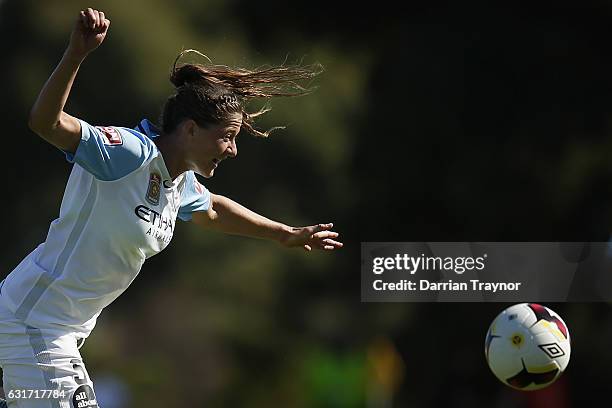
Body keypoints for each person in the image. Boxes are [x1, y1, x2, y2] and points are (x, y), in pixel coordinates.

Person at [0, 8, 342, 407]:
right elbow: (46, 122)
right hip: (34, 322)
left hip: (60, 328)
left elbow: (214, 210)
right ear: (192, 129)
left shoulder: (178, 182)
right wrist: (76, 54)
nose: (233, 150)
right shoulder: (128, 153)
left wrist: (284, 233)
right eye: (228, 137)